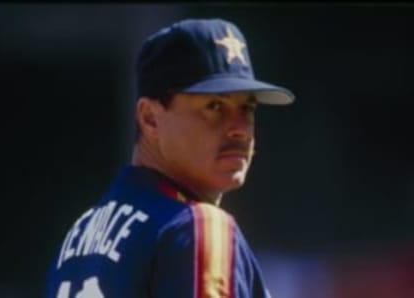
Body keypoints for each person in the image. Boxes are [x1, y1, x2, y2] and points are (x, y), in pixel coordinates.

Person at [46, 18, 295, 298]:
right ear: (150, 118)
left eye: (247, 108)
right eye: (215, 106)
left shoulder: (81, 233)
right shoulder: (198, 226)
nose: (239, 129)